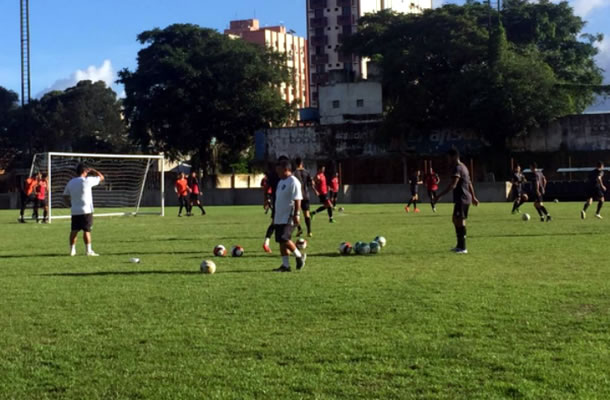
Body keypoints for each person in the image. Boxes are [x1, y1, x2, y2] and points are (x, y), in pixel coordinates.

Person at [436, 148, 479, 254]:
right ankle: (459, 245)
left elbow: (453, 184)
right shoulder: (464, 167)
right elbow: (469, 183)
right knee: (455, 219)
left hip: (462, 198)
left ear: (454, 157)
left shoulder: (458, 168)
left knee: (459, 221)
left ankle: (463, 247)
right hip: (465, 198)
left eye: (449, 157)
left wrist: (440, 195)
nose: (448, 160)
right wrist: (473, 197)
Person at [62, 164, 104, 256]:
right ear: (85, 171)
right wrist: (93, 170)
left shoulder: (71, 182)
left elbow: (65, 195)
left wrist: (69, 204)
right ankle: (88, 251)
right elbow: (101, 177)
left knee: (74, 230)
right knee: (87, 230)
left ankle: (72, 250)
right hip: (86, 210)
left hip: (75, 210)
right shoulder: (87, 180)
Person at [272, 159, 306, 272]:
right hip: (279, 216)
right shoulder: (281, 182)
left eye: (279, 171)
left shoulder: (294, 182)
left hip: (289, 215)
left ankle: (299, 256)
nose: (278, 173)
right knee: (281, 241)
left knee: (284, 238)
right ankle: (285, 265)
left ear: (286, 169)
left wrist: (296, 214)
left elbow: (297, 199)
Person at [262, 156, 288, 253]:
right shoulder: (283, 175)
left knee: (275, 223)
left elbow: (266, 188)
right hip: (283, 202)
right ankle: (288, 246)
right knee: (284, 224)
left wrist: (266, 200)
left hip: (276, 201)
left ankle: (266, 242)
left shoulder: (272, 174)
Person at [293, 157, 315, 237]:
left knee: (295, 214)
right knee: (307, 214)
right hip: (306, 195)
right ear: (302, 163)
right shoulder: (307, 172)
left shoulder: (294, 173)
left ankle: (299, 229)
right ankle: (309, 232)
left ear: (296, 164)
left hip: (297, 196)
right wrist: (315, 190)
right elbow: (312, 183)